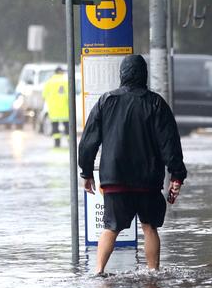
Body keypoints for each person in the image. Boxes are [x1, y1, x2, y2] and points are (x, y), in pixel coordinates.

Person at [78, 55, 187, 276]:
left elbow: (88, 141)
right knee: (149, 227)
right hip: (148, 181)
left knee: (111, 228)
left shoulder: (106, 101)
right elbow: (169, 143)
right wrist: (177, 175)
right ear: (144, 75)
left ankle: (98, 271)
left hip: (114, 179)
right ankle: (153, 273)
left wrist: (86, 172)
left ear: (122, 74)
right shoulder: (156, 103)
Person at [42, 66, 69, 147]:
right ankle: (70, 143)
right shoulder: (66, 82)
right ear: (60, 72)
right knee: (67, 127)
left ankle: (57, 143)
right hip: (65, 109)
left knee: (55, 126)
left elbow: (44, 95)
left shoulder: (49, 82)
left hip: (53, 109)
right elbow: (70, 95)